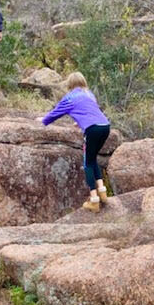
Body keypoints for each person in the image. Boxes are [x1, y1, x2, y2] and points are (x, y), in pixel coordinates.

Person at [41, 72, 111, 212]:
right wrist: (79, 121)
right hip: (105, 126)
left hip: (92, 129)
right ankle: (102, 193)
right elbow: (90, 111)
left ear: (70, 84)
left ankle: (94, 200)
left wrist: (44, 121)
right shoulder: (89, 94)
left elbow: (57, 111)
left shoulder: (70, 97)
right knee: (93, 159)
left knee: (87, 164)